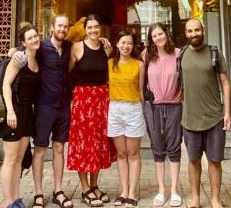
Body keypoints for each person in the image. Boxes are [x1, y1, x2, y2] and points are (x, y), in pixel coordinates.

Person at [11, 15, 74, 208]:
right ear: (52, 27)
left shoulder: (69, 46)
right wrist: (12, 51)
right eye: (59, 26)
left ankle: (58, 191)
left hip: (64, 106)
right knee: (39, 150)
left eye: (65, 26)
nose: (62, 29)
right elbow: (22, 49)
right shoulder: (41, 46)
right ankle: (38, 193)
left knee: (59, 148)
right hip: (44, 106)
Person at [181, 19, 231, 208]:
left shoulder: (214, 53)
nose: (193, 34)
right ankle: (195, 198)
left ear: (203, 30)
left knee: (214, 160)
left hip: (214, 118)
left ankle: (215, 199)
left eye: (197, 30)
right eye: (190, 31)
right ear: (185, 33)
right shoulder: (182, 54)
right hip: (190, 119)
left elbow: (225, 83)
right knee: (193, 160)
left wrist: (227, 112)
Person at [68, 14, 115, 207]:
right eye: (90, 27)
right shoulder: (76, 47)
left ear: (100, 28)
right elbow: (67, 72)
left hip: (101, 100)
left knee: (98, 143)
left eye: (96, 27)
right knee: (83, 143)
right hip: (82, 101)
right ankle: (85, 188)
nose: (93, 30)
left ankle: (95, 185)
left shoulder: (107, 48)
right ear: (85, 29)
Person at [141, 23, 182, 207]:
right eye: (154, 35)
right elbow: (141, 81)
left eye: (160, 34)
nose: (158, 38)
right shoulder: (146, 55)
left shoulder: (179, 54)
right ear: (151, 39)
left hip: (175, 106)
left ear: (167, 33)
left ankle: (174, 190)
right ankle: (161, 190)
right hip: (153, 107)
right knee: (158, 148)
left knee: (174, 148)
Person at [0, 23, 41, 208]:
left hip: (27, 113)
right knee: (10, 159)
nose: (34, 39)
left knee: (19, 159)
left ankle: (16, 197)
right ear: (23, 43)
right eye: (30, 38)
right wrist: (9, 110)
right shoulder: (19, 58)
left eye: (35, 36)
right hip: (14, 111)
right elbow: (6, 84)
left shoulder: (37, 59)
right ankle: (7, 201)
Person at [107, 30, 146, 208]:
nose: (126, 46)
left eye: (129, 43)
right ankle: (124, 191)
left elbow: (141, 91)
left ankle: (133, 192)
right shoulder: (109, 63)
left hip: (133, 109)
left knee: (133, 153)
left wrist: (143, 113)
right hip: (115, 109)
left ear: (133, 45)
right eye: (123, 42)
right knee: (121, 153)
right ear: (117, 44)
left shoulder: (139, 65)